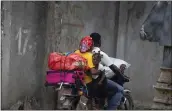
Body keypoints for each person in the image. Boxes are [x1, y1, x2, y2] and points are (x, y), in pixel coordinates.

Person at [90, 32, 125, 110]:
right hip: (95, 80)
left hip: (86, 80)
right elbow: (114, 68)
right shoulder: (99, 53)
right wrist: (122, 77)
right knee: (119, 89)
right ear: (99, 42)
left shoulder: (86, 52)